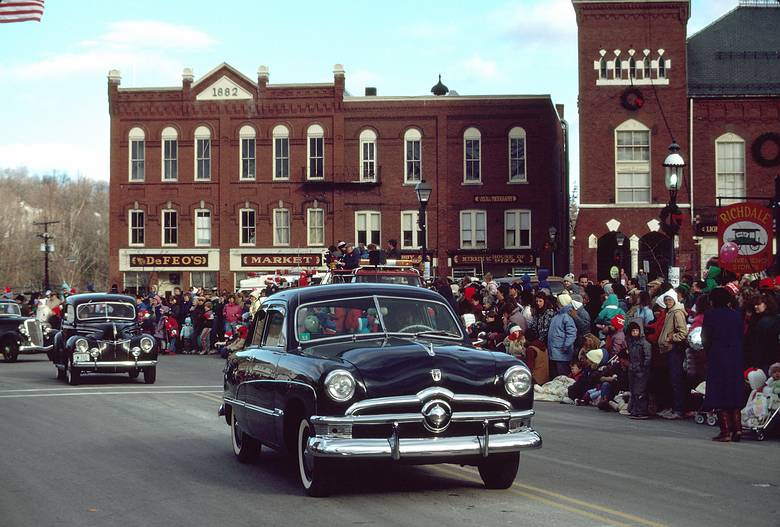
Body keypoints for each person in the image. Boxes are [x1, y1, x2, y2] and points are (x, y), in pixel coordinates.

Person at [702, 287, 745, 441]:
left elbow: (706, 337)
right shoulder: (736, 314)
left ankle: (725, 430)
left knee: (719, 391)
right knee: (733, 390)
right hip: (736, 356)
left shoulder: (710, 315)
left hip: (717, 355)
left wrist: (708, 351)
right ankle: (738, 429)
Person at [657, 289, 689, 420]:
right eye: (666, 300)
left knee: (676, 380)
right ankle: (674, 407)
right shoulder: (670, 312)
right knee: (672, 380)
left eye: (670, 300)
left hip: (674, 350)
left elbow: (683, 332)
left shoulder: (677, 313)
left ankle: (678, 409)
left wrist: (671, 338)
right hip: (669, 350)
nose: (667, 302)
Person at [626, 320, 651, 419]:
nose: (635, 333)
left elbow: (648, 357)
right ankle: (635, 410)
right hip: (632, 369)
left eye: (636, 331)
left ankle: (642, 411)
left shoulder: (644, 343)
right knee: (633, 390)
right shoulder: (631, 343)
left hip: (641, 370)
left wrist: (643, 367)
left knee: (640, 391)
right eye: (633, 331)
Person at [547, 294, 577, 376]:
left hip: (562, 354)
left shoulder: (566, 317)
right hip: (555, 352)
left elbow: (572, 333)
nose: (556, 303)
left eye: (558, 302)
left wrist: (566, 346)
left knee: (562, 376)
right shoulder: (558, 315)